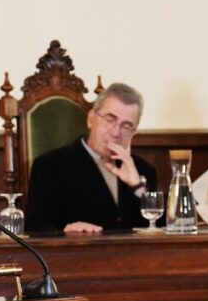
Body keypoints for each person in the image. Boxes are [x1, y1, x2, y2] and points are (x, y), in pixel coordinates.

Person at [25, 82, 157, 233]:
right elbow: (35, 228)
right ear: (91, 119)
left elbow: (159, 231)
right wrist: (64, 232)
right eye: (109, 119)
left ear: (133, 133)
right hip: (78, 254)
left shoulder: (143, 170)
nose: (115, 132)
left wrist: (137, 186)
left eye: (126, 126)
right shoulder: (50, 166)